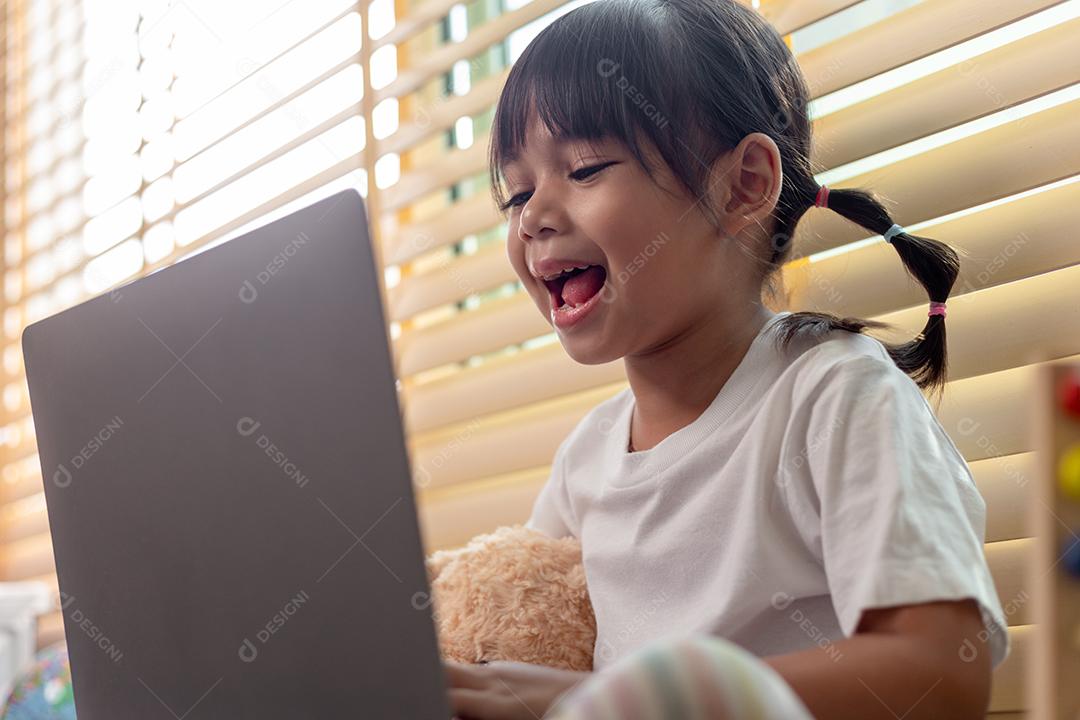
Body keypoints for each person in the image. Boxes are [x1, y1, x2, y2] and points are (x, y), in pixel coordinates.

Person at [443, 1, 1008, 717]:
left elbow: (940, 675)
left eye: (584, 169)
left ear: (743, 187)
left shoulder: (836, 397)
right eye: (518, 191)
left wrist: (615, 702)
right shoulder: (585, 461)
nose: (532, 216)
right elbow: (527, 646)